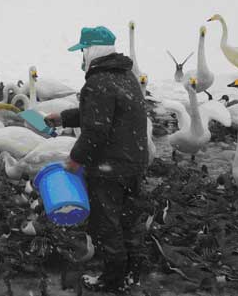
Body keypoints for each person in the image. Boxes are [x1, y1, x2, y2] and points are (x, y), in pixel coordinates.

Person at [46, 26, 148, 293]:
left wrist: (75, 160)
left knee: (107, 224)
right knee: (129, 220)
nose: (81, 58)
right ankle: (133, 274)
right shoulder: (126, 77)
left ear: (91, 51)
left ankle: (112, 280)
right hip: (133, 162)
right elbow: (102, 114)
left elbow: (96, 130)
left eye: (82, 51)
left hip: (109, 167)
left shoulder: (98, 82)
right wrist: (64, 117)